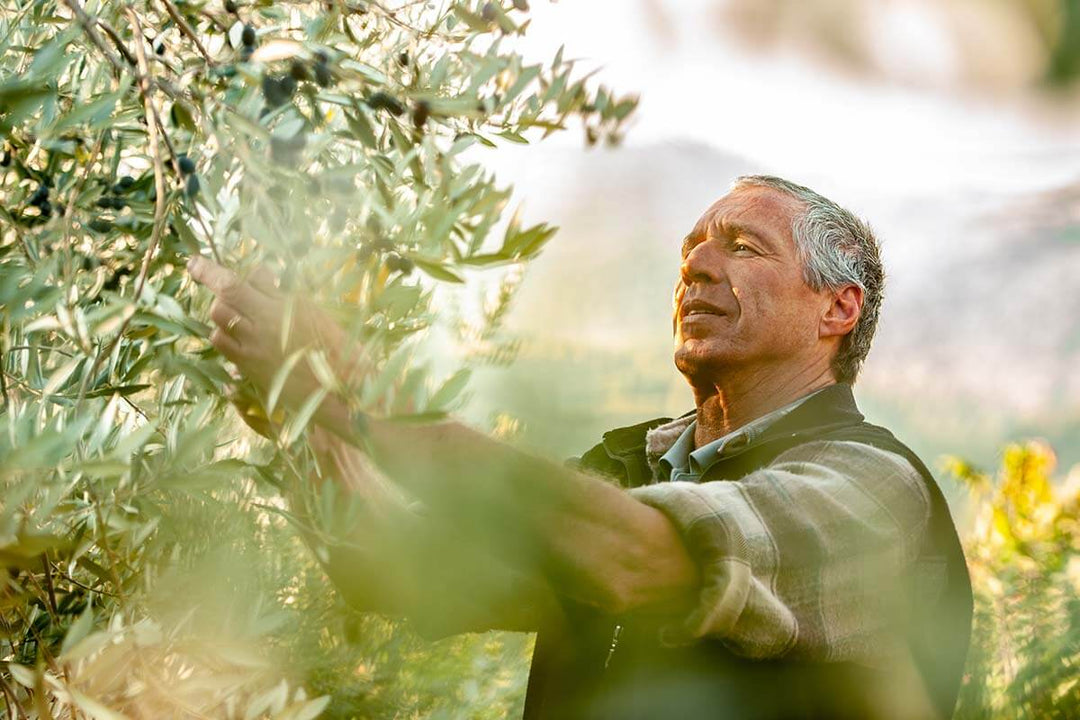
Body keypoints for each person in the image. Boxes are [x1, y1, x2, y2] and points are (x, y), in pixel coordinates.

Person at [188, 175, 973, 719]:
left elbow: (638, 556)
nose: (695, 263)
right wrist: (301, 411)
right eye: (692, 247)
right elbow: (399, 571)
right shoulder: (629, 464)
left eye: (741, 246)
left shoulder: (871, 486)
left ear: (838, 308)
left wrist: (364, 393)